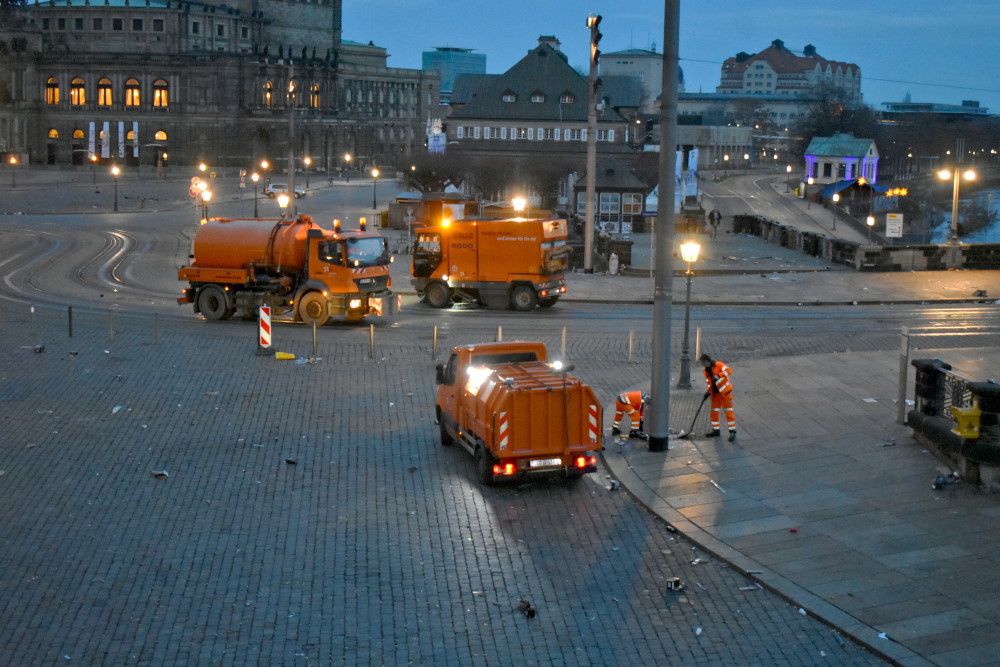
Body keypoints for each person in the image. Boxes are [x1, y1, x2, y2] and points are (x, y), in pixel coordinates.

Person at [700, 354, 736, 441]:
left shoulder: (719, 365)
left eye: (702, 363)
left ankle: (732, 432)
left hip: (725, 394)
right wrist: (708, 391)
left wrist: (719, 375)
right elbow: (710, 383)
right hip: (715, 394)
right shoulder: (706, 371)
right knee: (714, 413)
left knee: (728, 412)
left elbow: (729, 371)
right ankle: (716, 430)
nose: (701, 365)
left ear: (706, 361)